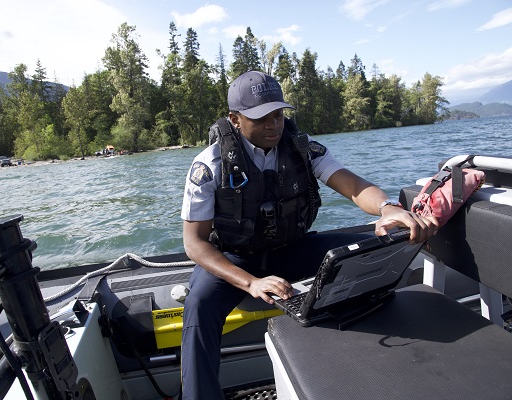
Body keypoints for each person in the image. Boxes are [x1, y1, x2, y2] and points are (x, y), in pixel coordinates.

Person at [179, 70, 438, 399]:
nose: (274, 125)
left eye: (278, 114)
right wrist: (251, 282)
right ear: (235, 118)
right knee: (199, 304)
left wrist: (388, 208)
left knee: (371, 250)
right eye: (262, 118)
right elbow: (195, 244)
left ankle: (380, 364)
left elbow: (354, 186)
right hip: (236, 257)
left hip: (293, 249)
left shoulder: (305, 150)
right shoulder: (208, 166)